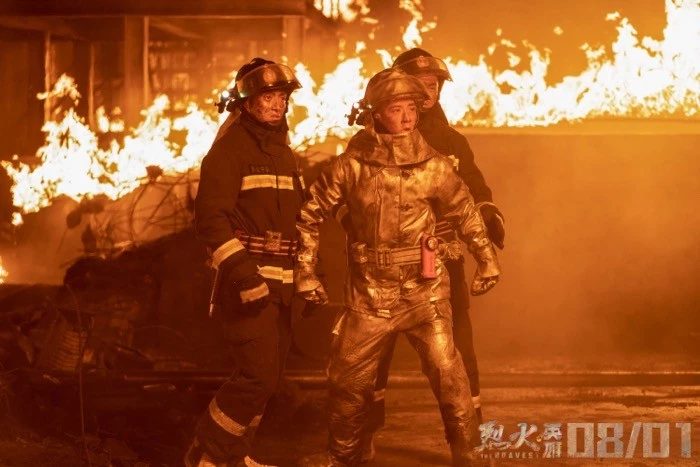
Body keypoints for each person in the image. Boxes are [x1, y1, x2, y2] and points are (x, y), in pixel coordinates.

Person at [296, 68, 500, 466]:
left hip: (425, 289)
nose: (406, 118)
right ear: (375, 114)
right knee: (347, 379)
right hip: (369, 294)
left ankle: (470, 453)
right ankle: (342, 456)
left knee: (448, 372)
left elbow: (465, 213)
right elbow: (309, 214)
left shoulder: (434, 166)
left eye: (411, 109)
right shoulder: (351, 167)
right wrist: (305, 271)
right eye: (396, 109)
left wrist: (487, 260)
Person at [355, 48, 506, 461]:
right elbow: (347, 198)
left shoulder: (452, 142)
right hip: (383, 267)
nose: (428, 92)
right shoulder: (368, 142)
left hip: (440, 259)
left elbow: (474, 188)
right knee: (373, 354)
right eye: (420, 85)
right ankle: (364, 434)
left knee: (455, 351)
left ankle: (467, 440)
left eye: (434, 84)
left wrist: (487, 214)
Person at [185, 58, 306, 467]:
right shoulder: (229, 152)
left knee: (267, 380)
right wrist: (243, 276)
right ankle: (208, 455)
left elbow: (297, 221)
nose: (277, 105)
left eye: (281, 97)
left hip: (283, 286)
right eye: (267, 97)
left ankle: (234, 455)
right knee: (257, 376)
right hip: (248, 285)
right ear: (246, 103)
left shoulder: (284, 154)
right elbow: (210, 221)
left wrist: (309, 274)